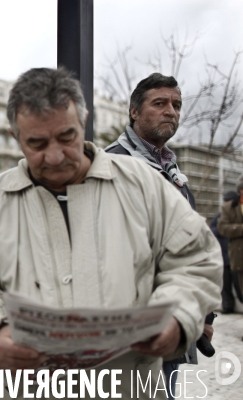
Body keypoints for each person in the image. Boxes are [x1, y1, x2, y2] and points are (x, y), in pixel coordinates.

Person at [0, 68, 221, 399]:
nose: (55, 155)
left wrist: (178, 317)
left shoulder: (142, 184)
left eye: (66, 137)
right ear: (17, 138)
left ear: (84, 121)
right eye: (37, 143)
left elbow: (196, 258)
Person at [105, 73, 213, 399]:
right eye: (160, 103)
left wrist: (204, 314)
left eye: (177, 105)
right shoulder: (110, 165)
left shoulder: (174, 175)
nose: (171, 111)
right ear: (134, 111)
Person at [212, 192, 243, 313]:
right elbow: (215, 229)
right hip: (226, 258)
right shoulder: (222, 215)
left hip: (234, 257)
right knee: (226, 286)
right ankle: (227, 306)